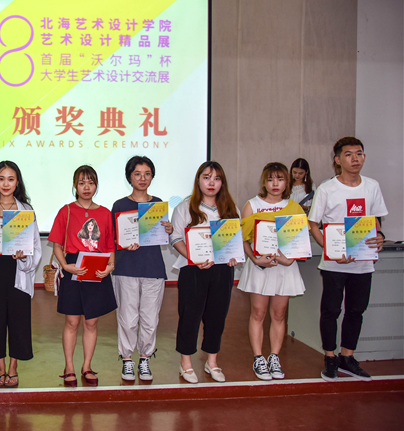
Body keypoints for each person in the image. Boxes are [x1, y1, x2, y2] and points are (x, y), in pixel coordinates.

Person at [308, 137, 387, 382]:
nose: (355, 159)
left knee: (356, 311)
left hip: (363, 263)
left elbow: (376, 220)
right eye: (349, 154)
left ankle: (347, 357)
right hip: (335, 264)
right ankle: (330, 358)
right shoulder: (327, 189)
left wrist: (380, 236)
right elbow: (313, 224)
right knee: (331, 311)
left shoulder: (372, 186)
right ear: (337, 160)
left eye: (359, 153)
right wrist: (330, 249)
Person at [0, 161, 42, 388]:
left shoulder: (26, 210)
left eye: (10, 179)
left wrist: (23, 257)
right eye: (1, 179)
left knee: (18, 322)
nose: (6, 184)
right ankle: (0, 367)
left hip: (17, 271)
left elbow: (35, 246)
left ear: (17, 182)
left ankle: (13, 367)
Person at [170, 161, 240, 384]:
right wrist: (193, 258)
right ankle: (186, 363)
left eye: (217, 179)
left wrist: (233, 256)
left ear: (222, 183)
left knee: (216, 316)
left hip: (222, 271)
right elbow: (176, 238)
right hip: (193, 270)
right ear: (198, 180)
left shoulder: (231, 209)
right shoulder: (185, 207)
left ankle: (212, 362)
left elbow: (235, 242)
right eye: (207, 177)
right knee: (189, 316)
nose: (211, 183)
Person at [49, 165, 116, 387]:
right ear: (75, 186)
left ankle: (87, 366)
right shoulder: (66, 211)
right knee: (71, 322)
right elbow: (56, 244)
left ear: (96, 185)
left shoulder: (105, 213)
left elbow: (110, 246)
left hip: (97, 271)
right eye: (82, 183)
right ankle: (69, 367)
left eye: (91, 182)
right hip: (73, 269)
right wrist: (65, 266)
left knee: (92, 322)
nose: (86, 187)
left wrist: (110, 266)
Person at [238, 162, 307, 381]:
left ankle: (274, 357)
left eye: (280, 179)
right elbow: (243, 239)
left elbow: (299, 241)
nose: (275, 184)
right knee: (258, 313)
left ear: (287, 182)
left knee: (279, 314)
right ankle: (259, 358)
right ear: (264, 182)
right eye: (270, 179)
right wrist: (254, 258)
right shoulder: (252, 205)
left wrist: (289, 259)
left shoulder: (294, 208)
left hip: (285, 268)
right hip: (260, 267)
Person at [110, 156, 173, 382]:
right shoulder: (119, 205)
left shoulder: (157, 205)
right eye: (137, 174)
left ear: (152, 177)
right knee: (127, 318)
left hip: (153, 268)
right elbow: (111, 238)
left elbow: (163, 236)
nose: (142, 178)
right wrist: (123, 242)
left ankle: (145, 358)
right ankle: (127, 359)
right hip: (126, 268)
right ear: (129, 177)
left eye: (147, 174)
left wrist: (169, 229)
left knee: (150, 319)